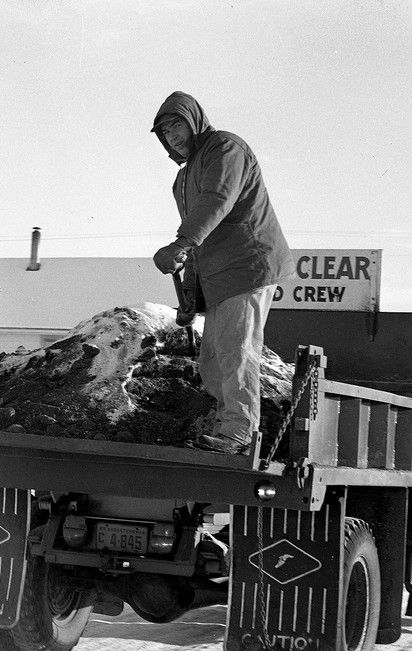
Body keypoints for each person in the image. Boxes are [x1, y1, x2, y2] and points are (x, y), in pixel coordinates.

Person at [151, 91, 293, 454]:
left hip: (247, 265)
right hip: (220, 277)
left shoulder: (224, 148)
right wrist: (189, 297)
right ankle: (225, 427)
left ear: (195, 120)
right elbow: (201, 238)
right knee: (213, 360)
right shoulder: (182, 179)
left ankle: (239, 434)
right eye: (165, 131)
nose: (173, 136)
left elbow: (217, 199)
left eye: (177, 124)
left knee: (235, 350)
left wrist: (180, 244)